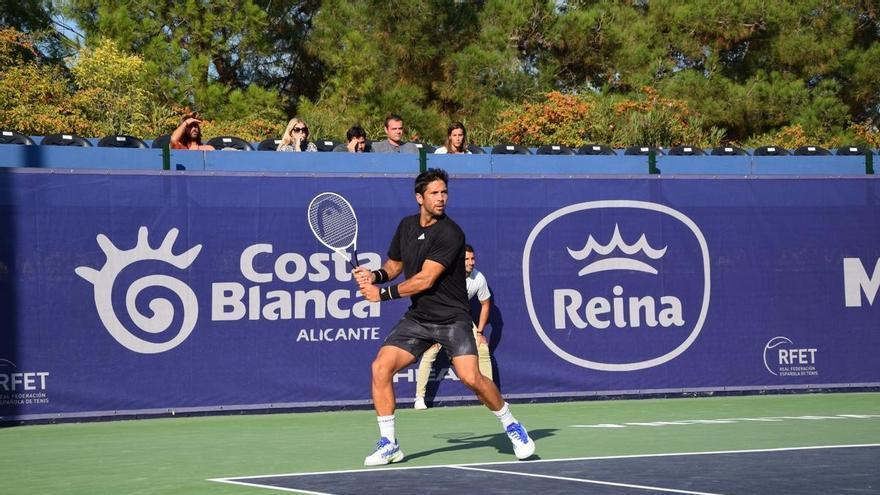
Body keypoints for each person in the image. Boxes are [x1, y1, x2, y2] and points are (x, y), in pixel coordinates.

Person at [352, 168, 535, 466]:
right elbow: (395, 265)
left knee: (471, 377)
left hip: (453, 319)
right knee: (380, 368)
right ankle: (389, 444)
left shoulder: (451, 233)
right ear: (419, 198)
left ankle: (511, 424)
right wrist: (375, 275)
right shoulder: (406, 226)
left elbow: (425, 280)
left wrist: (381, 295)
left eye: (444, 192)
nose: (441, 198)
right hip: (419, 318)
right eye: (435, 193)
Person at [413, 243, 491, 410]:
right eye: (466, 259)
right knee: (431, 351)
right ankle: (419, 397)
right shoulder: (444, 275)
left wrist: (479, 332)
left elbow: (485, 304)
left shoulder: (479, 278)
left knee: (482, 347)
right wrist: (433, 332)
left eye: (473, 259)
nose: (471, 262)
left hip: (461, 319)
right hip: (436, 317)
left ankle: (490, 395)